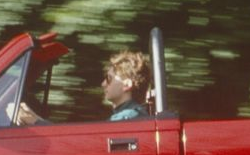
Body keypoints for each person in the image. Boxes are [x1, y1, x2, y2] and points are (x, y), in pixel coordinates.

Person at [16, 50, 151, 125]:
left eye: (109, 78)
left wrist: (35, 122)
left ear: (127, 85)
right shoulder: (128, 116)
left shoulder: (127, 118)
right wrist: (35, 118)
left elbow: (82, 144)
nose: (103, 84)